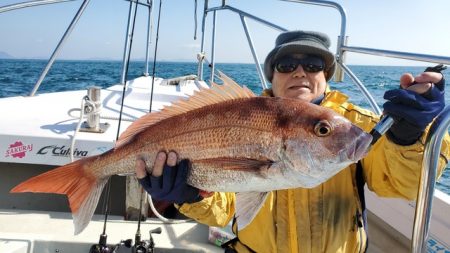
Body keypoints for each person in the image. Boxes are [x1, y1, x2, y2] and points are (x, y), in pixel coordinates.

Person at [135, 31, 450, 252]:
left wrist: (410, 135)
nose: (300, 72)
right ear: (271, 76)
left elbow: (403, 187)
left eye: (313, 65)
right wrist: (190, 198)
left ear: (326, 75)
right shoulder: (244, 116)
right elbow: (225, 214)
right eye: (287, 65)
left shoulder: (356, 127)